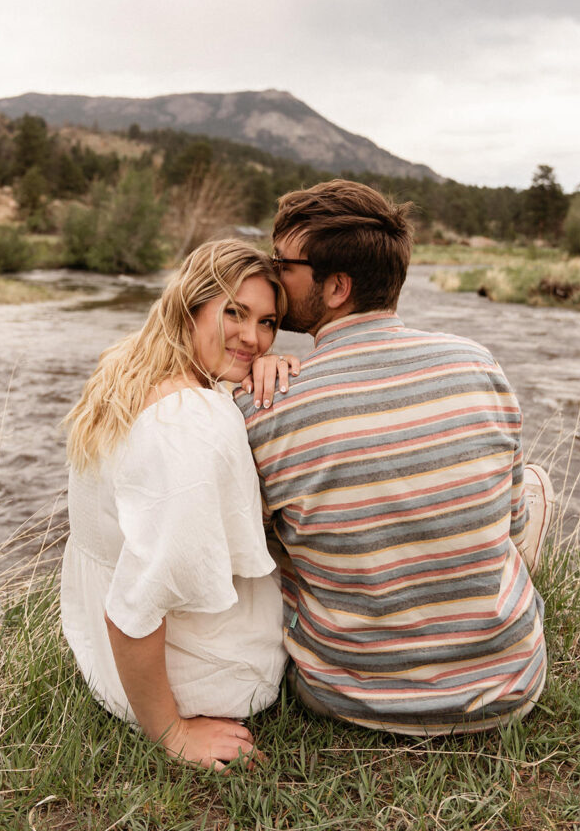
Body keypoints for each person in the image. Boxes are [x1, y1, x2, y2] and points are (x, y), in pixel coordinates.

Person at [235, 180, 555, 736]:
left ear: (336, 287)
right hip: (508, 686)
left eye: (282, 263)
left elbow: (253, 552)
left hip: (344, 697)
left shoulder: (263, 407)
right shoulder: (477, 364)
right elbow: (510, 525)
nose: (270, 273)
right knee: (532, 487)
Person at [61, 239, 294, 770]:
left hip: (102, 659)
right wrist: (171, 730)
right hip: (208, 675)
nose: (254, 337)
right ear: (192, 304)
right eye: (234, 313)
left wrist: (242, 365)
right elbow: (135, 606)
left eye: (267, 323)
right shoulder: (188, 423)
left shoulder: (127, 373)